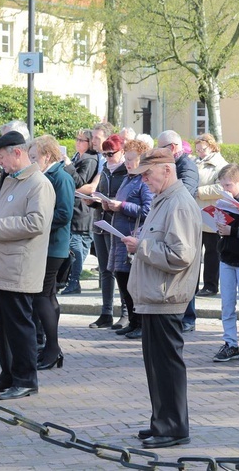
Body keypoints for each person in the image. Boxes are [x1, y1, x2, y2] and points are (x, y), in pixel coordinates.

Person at [121, 148, 202, 449]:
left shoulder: (178, 204)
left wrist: (140, 247)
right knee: (156, 366)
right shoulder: (164, 200)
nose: (144, 181)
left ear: (167, 170)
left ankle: (174, 427)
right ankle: (161, 421)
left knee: (167, 366)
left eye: (148, 174)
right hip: (155, 295)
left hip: (167, 296)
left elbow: (181, 255)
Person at [0, 131, 55, 400]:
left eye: (1, 157)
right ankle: (9, 373)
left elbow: (36, 223)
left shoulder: (38, 184)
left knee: (20, 325)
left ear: (17, 152)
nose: (0, 162)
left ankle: (26, 378)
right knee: (4, 326)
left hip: (20, 266)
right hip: (4, 265)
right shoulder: (13, 182)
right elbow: (5, 215)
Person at [27, 136, 74, 370]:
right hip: (49, 245)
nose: (32, 162)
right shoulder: (49, 176)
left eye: (35, 157)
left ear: (47, 155)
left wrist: (36, 223)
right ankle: (51, 349)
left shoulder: (61, 177)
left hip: (54, 246)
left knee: (41, 297)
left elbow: (65, 214)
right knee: (49, 297)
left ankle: (52, 348)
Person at [104, 139, 154, 339]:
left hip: (134, 238)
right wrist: (108, 205)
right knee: (123, 282)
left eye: (131, 159)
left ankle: (140, 323)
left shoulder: (144, 181)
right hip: (120, 238)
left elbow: (148, 210)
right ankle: (133, 322)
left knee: (134, 285)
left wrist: (122, 206)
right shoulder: (128, 178)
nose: (127, 162)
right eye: (126, 158)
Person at [212, 164, 239, 362]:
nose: (225, 190)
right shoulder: (224, 201)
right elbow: (221, 227)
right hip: (227, 256)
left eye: (228, 185)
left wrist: (232, 231)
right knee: (227, 303)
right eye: (222, 186)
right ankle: (230, 343)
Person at [157, 130, 200, 332]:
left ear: (173, 148)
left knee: (185, 271)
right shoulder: (174, 165)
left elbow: (186, 194)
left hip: (184, 226)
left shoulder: (187, 167)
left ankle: (188, 317)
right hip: (172, 223)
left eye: (161, 147)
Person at [85, 135, 129, 329]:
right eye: (105, 154)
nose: (108, 157)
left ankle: (126, 313)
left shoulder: (125, 171)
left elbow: (127, 199)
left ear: (121, 152)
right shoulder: (104, 170)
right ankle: (106, 312)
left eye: (112, 154)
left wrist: (112, 203)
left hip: (117, 225)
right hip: (101, 224)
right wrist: (92, 202)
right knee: (105, 270)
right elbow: (100, 196)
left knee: (120, 270)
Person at [62, 129, 100, 295]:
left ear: (89, 142)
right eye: (76, 139)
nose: (77, 142)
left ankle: (74, 282)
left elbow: (79, 182)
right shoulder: (78, 156)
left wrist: (68, 165)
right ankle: (72, 281)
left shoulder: (89, 159)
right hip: (75, 208)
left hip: (83, 210)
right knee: (74, 246)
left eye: (81, 140)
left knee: (78, 247)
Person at [194, 133, 228, 297]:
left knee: (211, 252)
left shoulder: (220, 164)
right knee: (193, 251)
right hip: (196, 213)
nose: (200, 152)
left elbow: (222, 188)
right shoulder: (195, 162)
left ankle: (210, 285)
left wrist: (199, 192)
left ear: (212, 146)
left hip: (211, 212)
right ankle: (192, 284)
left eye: (203, 149)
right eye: (198, 149)